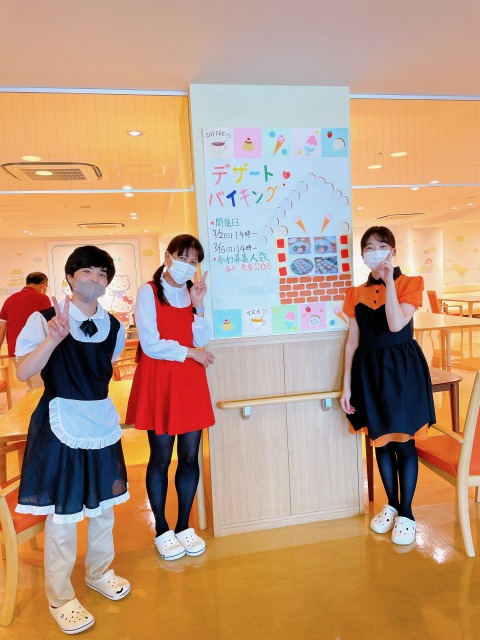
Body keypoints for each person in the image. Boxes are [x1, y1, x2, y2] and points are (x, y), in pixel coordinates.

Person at [15, 246, 130, 635]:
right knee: (63, 515)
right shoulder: (44, 319)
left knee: (104, 508)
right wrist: (52, 339)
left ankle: (99, 572)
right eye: (87, 272)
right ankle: (60, 597)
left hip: (100, 421)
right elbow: (23, 372)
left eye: (102, 274)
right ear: (69, 277)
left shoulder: (114, 326)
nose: (94, 280)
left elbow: (101, 369)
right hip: (59, 422)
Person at [340, 226, 435, 546]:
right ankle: (392, 505)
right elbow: (352, 342)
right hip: (369, 371)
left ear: (393, 251)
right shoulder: (355, 293)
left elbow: (395, 324)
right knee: (380, 441)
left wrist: (389, 280)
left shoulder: (411, 283)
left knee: (404, 442)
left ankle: (407, 513)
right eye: (368, 247)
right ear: (362, 254)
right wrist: (346, 387)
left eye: (381, 246)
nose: (374, 252)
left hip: (402, 372)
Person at [126, 234, 215, 561]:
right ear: (168, 256)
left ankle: (183, 526)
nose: (188, 265)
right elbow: (150, 344)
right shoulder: (148, 291)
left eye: (194, 261)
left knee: (190, 456)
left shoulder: (190, 292)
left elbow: (202, 337)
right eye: (183, 258)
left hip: (189, 380)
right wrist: (191, 353)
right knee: (161, 457)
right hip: (161, 379)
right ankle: (162, 529)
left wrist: (199, 305)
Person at [0, 271, 50, 389]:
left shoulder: (9, 300)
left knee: (31, 386)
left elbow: (2, 327)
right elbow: (47, 324)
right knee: (40, 388)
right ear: (43, 285)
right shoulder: (43, 299)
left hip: (15, 351)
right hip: (35, 350)